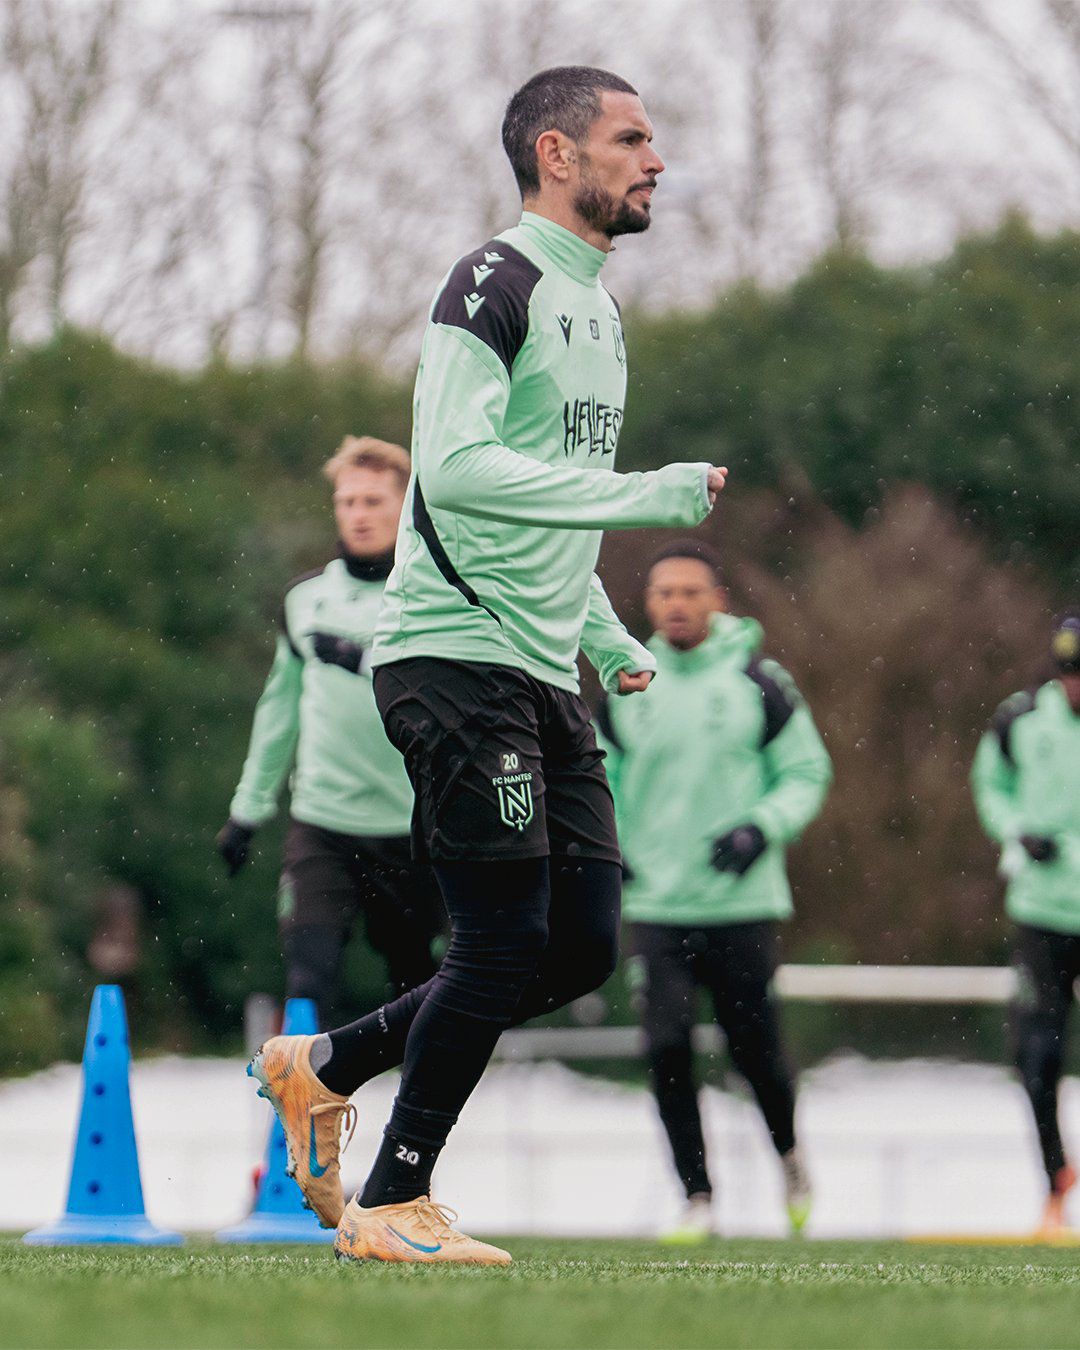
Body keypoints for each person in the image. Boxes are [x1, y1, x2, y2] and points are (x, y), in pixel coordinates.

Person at [247, 65, 728, 1266]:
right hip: (450, 663)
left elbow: (538, 524)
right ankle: (394, 1200)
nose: (655, 158)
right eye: (632, 138)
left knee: (577, 947)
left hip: (536, 670)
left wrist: (607, 641)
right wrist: (645, 493)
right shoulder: (492, 281)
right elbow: (454, 471)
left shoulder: (601, 308)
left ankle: (327, 1065)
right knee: (502, 943)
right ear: (557, 156)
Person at [595, 542, 832, 1241]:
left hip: (741, 904)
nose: (676, 604)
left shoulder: (759, 681)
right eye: (664, 592)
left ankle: (790, 1159)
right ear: (647, 604)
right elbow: (595, 784)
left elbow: (806, 773)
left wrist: (761, 827)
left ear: (718, 600)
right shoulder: (627, 680)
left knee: (754, 1049)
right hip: (658, 907)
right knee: (665, 1045)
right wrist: (614, 850)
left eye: (691, 592)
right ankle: (697, 1196)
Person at [217, 437, 443, 1028]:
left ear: (406, 506)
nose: (358, 514)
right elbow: (279, 710)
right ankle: (304, 1119)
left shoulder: (436, 595)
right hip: (323, 826)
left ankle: (416, 1121)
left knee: (418, 988)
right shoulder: (305, 601)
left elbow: (450, 696)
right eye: (347, 502)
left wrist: (363, 659)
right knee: (308, 981)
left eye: (373, 500)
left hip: (413, 827)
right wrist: (247, 810)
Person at [971, 611, 1080, 1235]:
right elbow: (991, 785)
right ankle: (1056, 1183)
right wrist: (1017, 831)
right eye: (1067, 674)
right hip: (1041, 915)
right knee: (1038, 1056)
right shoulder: (1020, 718)